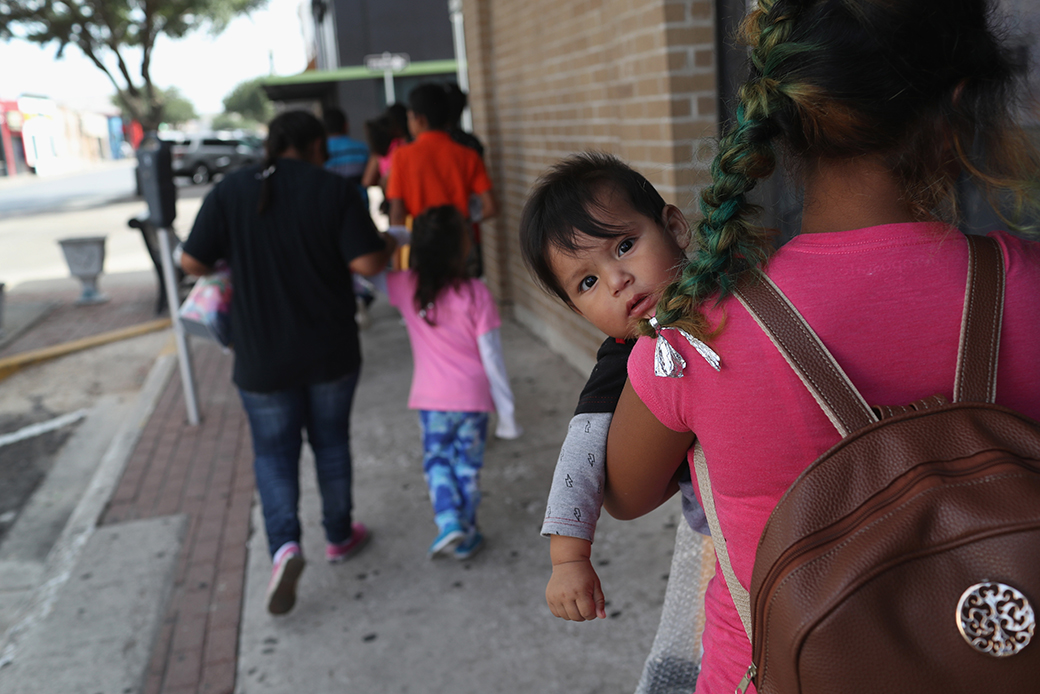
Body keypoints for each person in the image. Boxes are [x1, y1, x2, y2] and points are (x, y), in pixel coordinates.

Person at [602, 1, 1040, 692]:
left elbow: (623, 492)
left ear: (787, 121)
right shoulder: (1027, 286)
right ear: (955, 108)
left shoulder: (702, 327)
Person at [179, 110, 397, 615]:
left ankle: (284, 548)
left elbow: (191, 262)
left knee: (273, 454)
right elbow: (367, 264)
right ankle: (339, 535)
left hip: (259, 356)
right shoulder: (334, 189)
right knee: (330, 443)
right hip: (330, 349)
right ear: (316, 144)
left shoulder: (231, 190)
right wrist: (386, 242)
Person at [518, 152, 710, 624]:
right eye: (588, 282)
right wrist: (569, 559)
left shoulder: (736, 291)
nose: (617, 281)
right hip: (726, 538)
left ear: (675, 228)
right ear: (576, 310)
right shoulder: (623, 358)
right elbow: (580, 455)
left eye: (624, 246)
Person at [385, 205, 521, 559]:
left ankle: (449, 521)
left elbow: (366, 274)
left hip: (432, 401)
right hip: (473, 399)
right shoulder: (476, 292)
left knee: (437, 462)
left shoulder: (404, 286)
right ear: (463, 247)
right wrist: (506, 414)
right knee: (466, 466)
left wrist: (398, 236)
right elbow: (492, 357)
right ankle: (468, 531)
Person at [385, 83, 497, 256]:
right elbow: (490, 207)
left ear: (420, 119)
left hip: (423, 243)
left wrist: (399, 255)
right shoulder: (468, 155)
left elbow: (398, 213)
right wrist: (464, 221)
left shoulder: (402, 156)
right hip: (461, 243)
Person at [323, 106, 370, 201]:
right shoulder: (362, 149)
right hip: (360, 205)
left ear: (324, 129)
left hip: (330, 207)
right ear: (346, 126)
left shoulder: (320, 152)